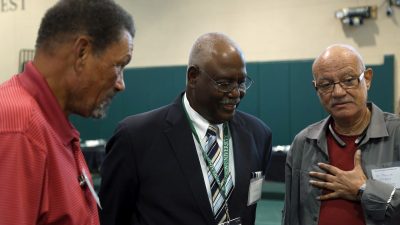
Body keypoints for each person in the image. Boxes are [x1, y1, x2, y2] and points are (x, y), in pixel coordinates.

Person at [99, 32, 272, 225]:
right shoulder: (135, 137)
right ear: (193, 76)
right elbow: (111, 217)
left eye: (241, 83)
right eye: (224, 83)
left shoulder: (258, 135)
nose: (235, 93)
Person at [0, 0, 135, 224]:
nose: (121, 84)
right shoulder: (18, 127)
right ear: (82, 52)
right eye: (119, 65)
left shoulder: (52, 127)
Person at [283, 44, 400, 225]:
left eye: (348, 80)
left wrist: (364, 189)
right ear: (316, 89)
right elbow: (291, 215)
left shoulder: (396, 135)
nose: (338, 92)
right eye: (326, 84)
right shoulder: (303, 143)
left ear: (367, 79)